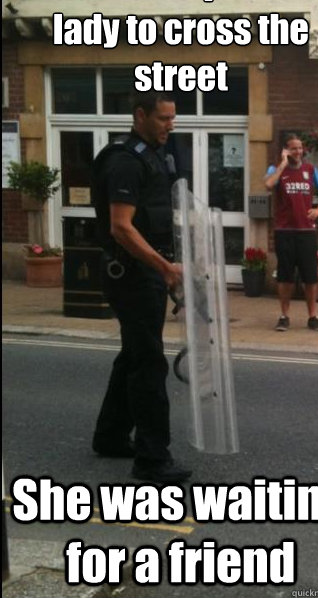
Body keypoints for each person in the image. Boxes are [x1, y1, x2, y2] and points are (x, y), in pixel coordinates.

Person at [91, 91, 192, 483]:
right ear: (140, 115)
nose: (171, 125)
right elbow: (121, 227)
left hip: (143, 273)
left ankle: (111, 435)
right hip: (131, 275)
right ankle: (152, 459)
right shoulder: (125, 161)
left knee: (133, 354)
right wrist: (165, 268)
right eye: (164, 118)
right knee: (149, 363)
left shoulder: (152, 155)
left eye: (173, 118)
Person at [265, 133, 318, 331]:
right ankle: (284, 316)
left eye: (300, 148)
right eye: (293, 148)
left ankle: (313, 317)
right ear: (285, 150)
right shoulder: (276, 169)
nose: (298, 152)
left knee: (310, 277)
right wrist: (282, 164)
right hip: (284, 231)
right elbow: (269, 184)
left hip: (306, 232)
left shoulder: (310, 170)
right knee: (285, 277)